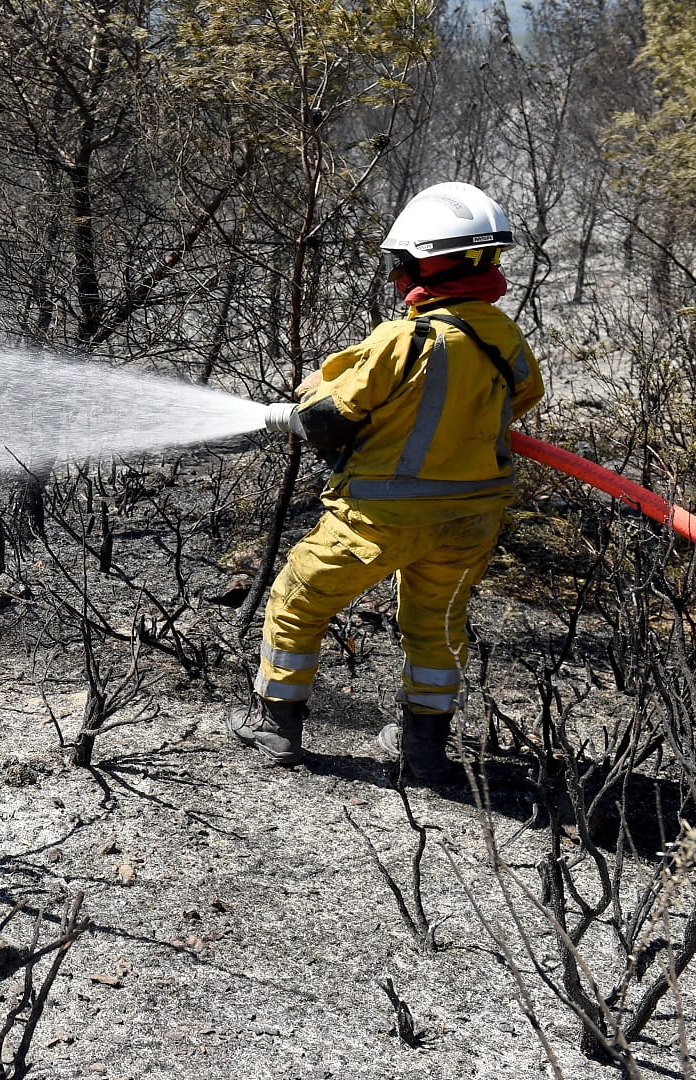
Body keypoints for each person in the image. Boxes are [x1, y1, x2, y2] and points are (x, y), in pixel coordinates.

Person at [228, 181, 545, 784]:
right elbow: (522, 397)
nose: (396, 277)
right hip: (472, 520)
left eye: (400, 264)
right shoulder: (502, 335)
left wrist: (302, 403)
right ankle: (424, 751)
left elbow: (327, 418)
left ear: (427, 265)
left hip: (381, 518)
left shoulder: (405, 338)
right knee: (438, 626)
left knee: (297, 599)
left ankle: (276, 727)